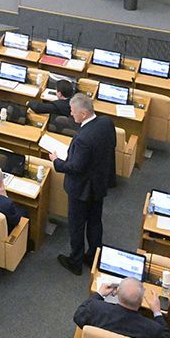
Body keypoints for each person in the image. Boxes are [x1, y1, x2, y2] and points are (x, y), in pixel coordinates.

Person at [51, 94, 117, 275]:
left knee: (77, 225)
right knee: (95, 221)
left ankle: (75, 261)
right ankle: (94, 256)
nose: (71, 114)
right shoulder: (106, 123)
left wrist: (56, 161)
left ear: (84, 113)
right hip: (100, 183)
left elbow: (75, 167)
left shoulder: (83, 139)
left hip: (81, 189)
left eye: (73, 112)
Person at [73, 278, 170, 338]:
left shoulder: (95, 308)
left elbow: (78, 317)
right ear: (141, 300)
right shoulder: (153, 330)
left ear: (117, 293)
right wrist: (157, 313)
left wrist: (99, 294)